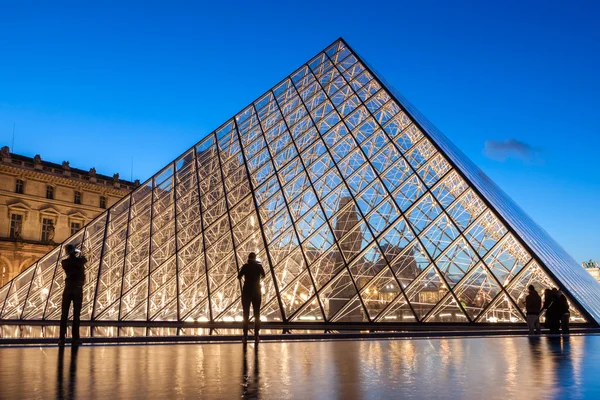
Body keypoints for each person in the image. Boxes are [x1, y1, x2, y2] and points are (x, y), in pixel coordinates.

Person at [59, 244, 87, 346]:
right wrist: (78, 252)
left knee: (64, 315)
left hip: (67, 290)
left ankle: (61, 339)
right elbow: (84, 260)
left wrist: (74, 253)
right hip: (77, 290)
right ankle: (75, 339)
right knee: (76, 316)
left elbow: (76, 262)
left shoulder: (64, 262)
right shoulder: (80, 261)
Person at [238, 252, 265, 343]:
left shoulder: (245, 266)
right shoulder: (259, 266)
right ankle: (256, 335)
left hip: (247, 292)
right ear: (255, 258)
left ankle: (245, 336)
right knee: (257, 314)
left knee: (246, 314)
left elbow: (239, 277)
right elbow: (263, 275)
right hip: (257, 291)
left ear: (248, 258)